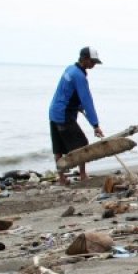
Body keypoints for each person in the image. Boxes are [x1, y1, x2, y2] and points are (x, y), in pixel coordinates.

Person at [48, 47, 105, 185]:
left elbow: (67, 92)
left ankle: (62, 179)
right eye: (92, 62)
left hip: (54, 111)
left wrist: (76, 105)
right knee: (82, 144)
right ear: (85, 59)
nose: (94, 65)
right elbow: (87, 100)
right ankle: (83, 176)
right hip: (64, 114)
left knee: (58, 148)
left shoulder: (70, 69)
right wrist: (95, 125)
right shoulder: (79, 76)